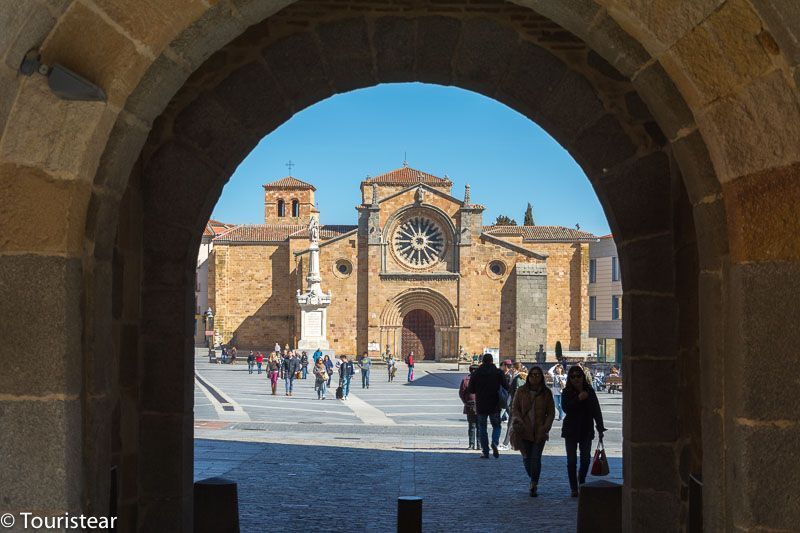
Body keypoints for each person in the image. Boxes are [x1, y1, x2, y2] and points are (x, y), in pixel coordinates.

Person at [562, 365, 606, 497]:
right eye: (573, 376)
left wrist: (600, 427)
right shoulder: (566, 392)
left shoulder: (590, 391)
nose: (576, 379)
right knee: (571, 461)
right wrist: (578, 399)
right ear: (570, 378)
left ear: (583, 377)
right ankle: (574, 488)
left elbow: (596, 410)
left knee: (586, 459)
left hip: (586, 429)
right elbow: (566, 408)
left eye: (578, 376)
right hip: (571, 430)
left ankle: (581, 480)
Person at [511, 366, 555, 497]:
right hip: (524, 429)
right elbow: (515, 408)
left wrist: (545, 427)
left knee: (536, 458)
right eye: (532, 375)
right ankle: (533, 478)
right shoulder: (521, 391)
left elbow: (551, 412)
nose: (535, 377)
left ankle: (534, 483)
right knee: (526, 458)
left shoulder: (546, 393)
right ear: (528, 376)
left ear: (541, 377)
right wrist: (519, 420)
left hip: (539, 430)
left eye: (537, 375)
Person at [467, 353, 508, 459]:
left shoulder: (476, 373)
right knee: (497, 426)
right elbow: (506, 386)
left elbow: (471, 390)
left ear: (483, 361)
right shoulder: (498, 372)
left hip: (481, 404)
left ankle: (485, 452)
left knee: (482, 428)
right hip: (495, 404)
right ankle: (494, 442)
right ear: (492, 361)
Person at [500, 361, 525, 450]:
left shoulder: (517, 378)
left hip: (515, 405)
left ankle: (506, 444)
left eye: (513, 368)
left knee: (511, 424)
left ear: (515, 369)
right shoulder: (523, 377)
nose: (511, 370)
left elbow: (514, 392)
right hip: (522, 405)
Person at [458, 365, 479, 450]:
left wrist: (465, 402)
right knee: (478, 426)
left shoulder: (466, 380)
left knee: (472, 426)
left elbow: (462, 393)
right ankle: (478, 444)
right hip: (478, 405)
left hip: (471, 404)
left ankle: (472, 444)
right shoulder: (482, 380)